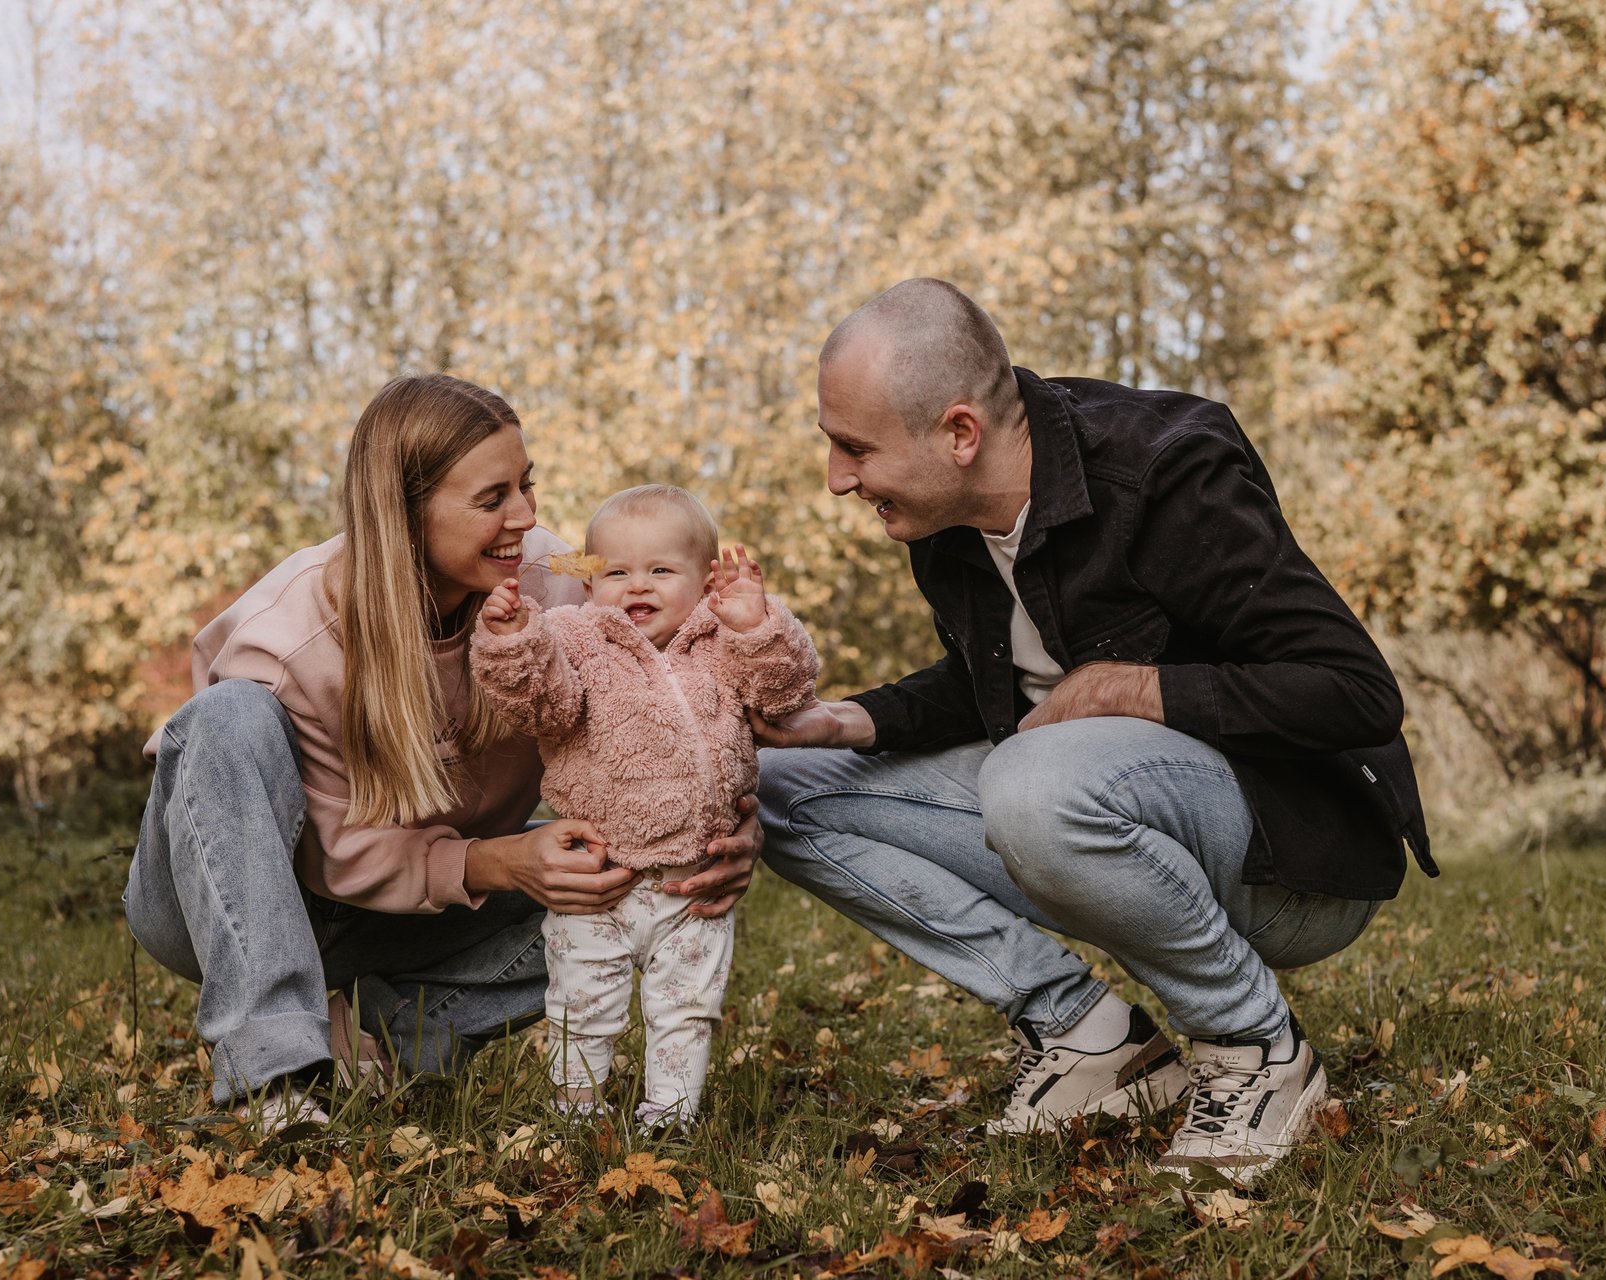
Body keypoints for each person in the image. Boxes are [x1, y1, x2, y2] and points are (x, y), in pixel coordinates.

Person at [755, 279, 1434, 1184]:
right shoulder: (939, 517)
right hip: (1101, 824)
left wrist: (1138, 688)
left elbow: (1352, 692)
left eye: (854, 449)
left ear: (961, 434)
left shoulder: (1162, 471)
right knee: (770, 784)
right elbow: (999, 681)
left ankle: (1255, 1046)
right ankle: (1092, 1040)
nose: (838, 477)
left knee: (1034, 779)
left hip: (1290, 862)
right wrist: (847, 719)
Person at [123, 375, 764, 1128]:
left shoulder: (559, 590)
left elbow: (691, 687)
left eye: (527, 486)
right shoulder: (295, 627)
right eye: (493, 499)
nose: (525, 517)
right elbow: (225, 800)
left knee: (624, 870)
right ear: (406, 513)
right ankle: (276, 1077)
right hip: (242, 906)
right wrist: (495, 863)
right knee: (228, 714)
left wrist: (727, 822)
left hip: (416, 909)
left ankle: (380, 1042)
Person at [470, 486, 819, 1127]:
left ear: (706, 580)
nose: (639, 586)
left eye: (661, 570)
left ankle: (670, 1112)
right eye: (617, 572)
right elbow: (538, 705)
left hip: (695, 876)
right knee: (582, 999)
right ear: (588, 579)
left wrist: (757, 626)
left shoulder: (722, 640)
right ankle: (575, 1109)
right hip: (601, 869)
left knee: (686, 1004)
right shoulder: (573, 639)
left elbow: (787, 691)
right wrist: (513, 641)